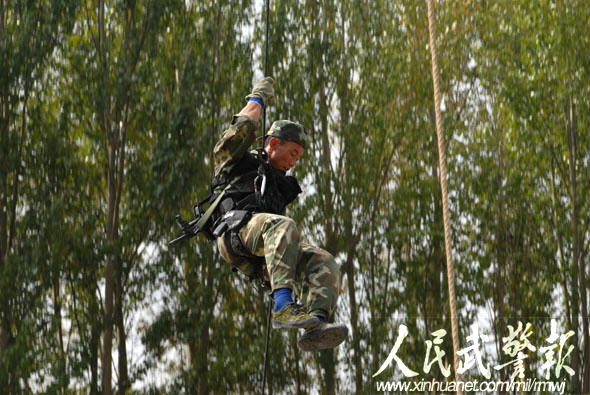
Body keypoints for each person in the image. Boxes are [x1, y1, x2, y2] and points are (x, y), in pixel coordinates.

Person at [208, 77, 348, 351]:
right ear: (273, 143)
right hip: (234, 233)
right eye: (293, 151)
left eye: (299, 156)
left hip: (263, 247)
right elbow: (243, 127)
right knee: (283, 227)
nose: (295, 160)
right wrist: (258, 97)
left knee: (324, 262)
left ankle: (316, 325)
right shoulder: (238, 161)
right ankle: (283, 307)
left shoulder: (278, 185)